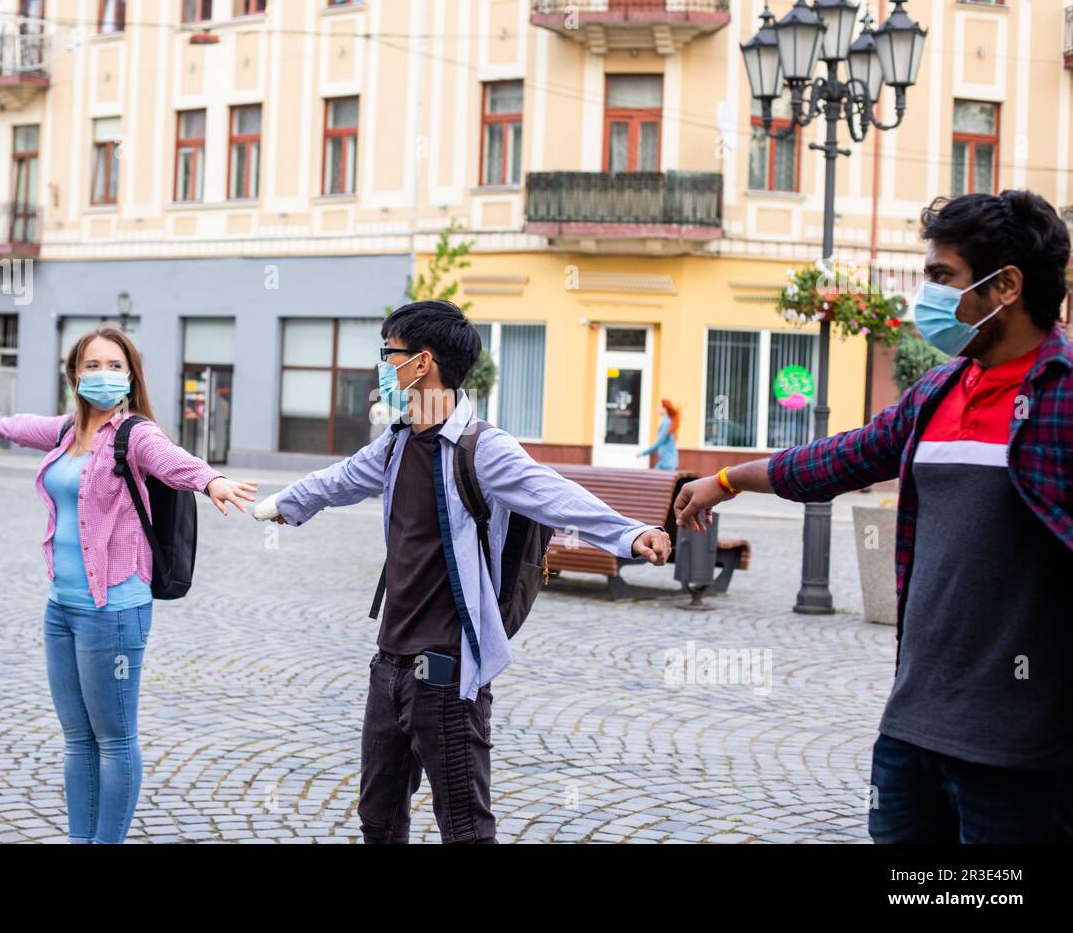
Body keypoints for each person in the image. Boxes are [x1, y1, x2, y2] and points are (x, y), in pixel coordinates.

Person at [674, 190, 1073, 844]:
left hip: (1019, 753)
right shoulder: (940, 391)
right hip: (912, 731)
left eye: (943, 276)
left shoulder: (1063, 397)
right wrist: (725, 480)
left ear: (1005, 287)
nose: (928, 295)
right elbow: (840, 458)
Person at [252, 300, 672, 843]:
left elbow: (555, 496)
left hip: (447, 674)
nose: (382, 365)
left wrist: (630, 534)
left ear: (421, 363)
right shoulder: (398, 443)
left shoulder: (482, 449)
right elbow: (343, 478)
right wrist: (283, 502)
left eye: (389, 353)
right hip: (390, 666)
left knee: (466, 829)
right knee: (378, 820)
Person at [0, 326, 256, 843]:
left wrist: (211, 481)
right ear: (75, 375)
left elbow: (173, 461)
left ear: (131, 375)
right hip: (62, 610)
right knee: (78, 740)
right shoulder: (66, 432)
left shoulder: (134, 434)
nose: (103, 375)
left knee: (114, 740)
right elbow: (25, 425)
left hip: (114, 609)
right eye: (91, 365)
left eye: (114, 365)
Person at [638, 398, 680, 469]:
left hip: (667, 464)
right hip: (666, 462)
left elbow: (659, 443)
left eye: (659, 407)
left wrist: (643, 453)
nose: (657, 409)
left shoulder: (667, 422)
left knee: (654, 476)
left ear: (664, 409)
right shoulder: (667, 421)